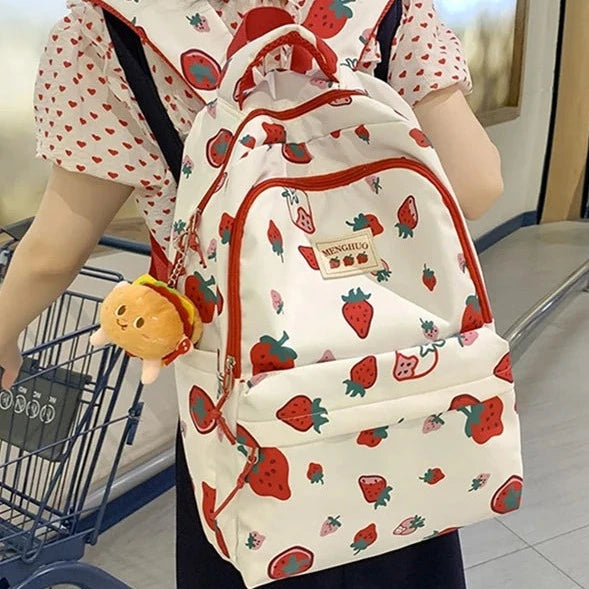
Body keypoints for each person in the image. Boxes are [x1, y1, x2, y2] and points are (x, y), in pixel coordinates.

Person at [0, 1, 504, 587]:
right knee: (404, 536)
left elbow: (52, 253)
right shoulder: (386, 8)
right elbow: (477, 185)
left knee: (253, 543)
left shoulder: (106, 31)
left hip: (242, 393)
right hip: (398, 369)